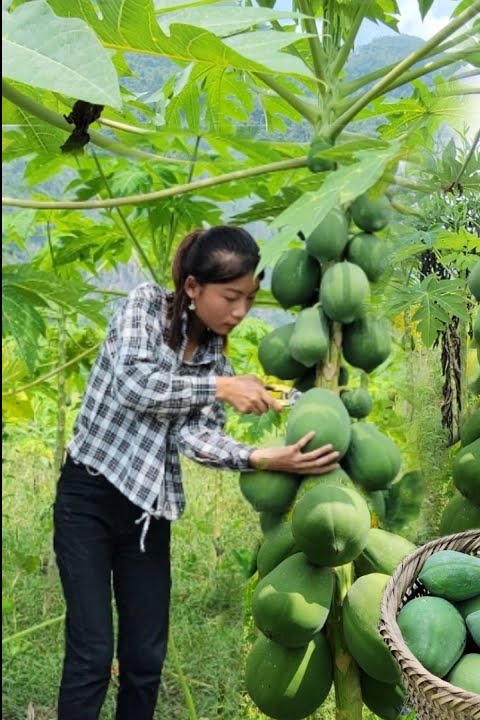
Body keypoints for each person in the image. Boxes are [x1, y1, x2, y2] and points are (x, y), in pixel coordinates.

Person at [54, 226, 341, 720]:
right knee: (93, 653)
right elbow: (135, 386)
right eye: (230, 297)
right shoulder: (143, 308)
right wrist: (220, 388)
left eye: (249, 298)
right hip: (89, 499)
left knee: (145, 659)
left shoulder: (213, 354)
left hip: (147, 515)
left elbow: (196, 438)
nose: (239, 312)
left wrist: (262, 457)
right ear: (192, 288)